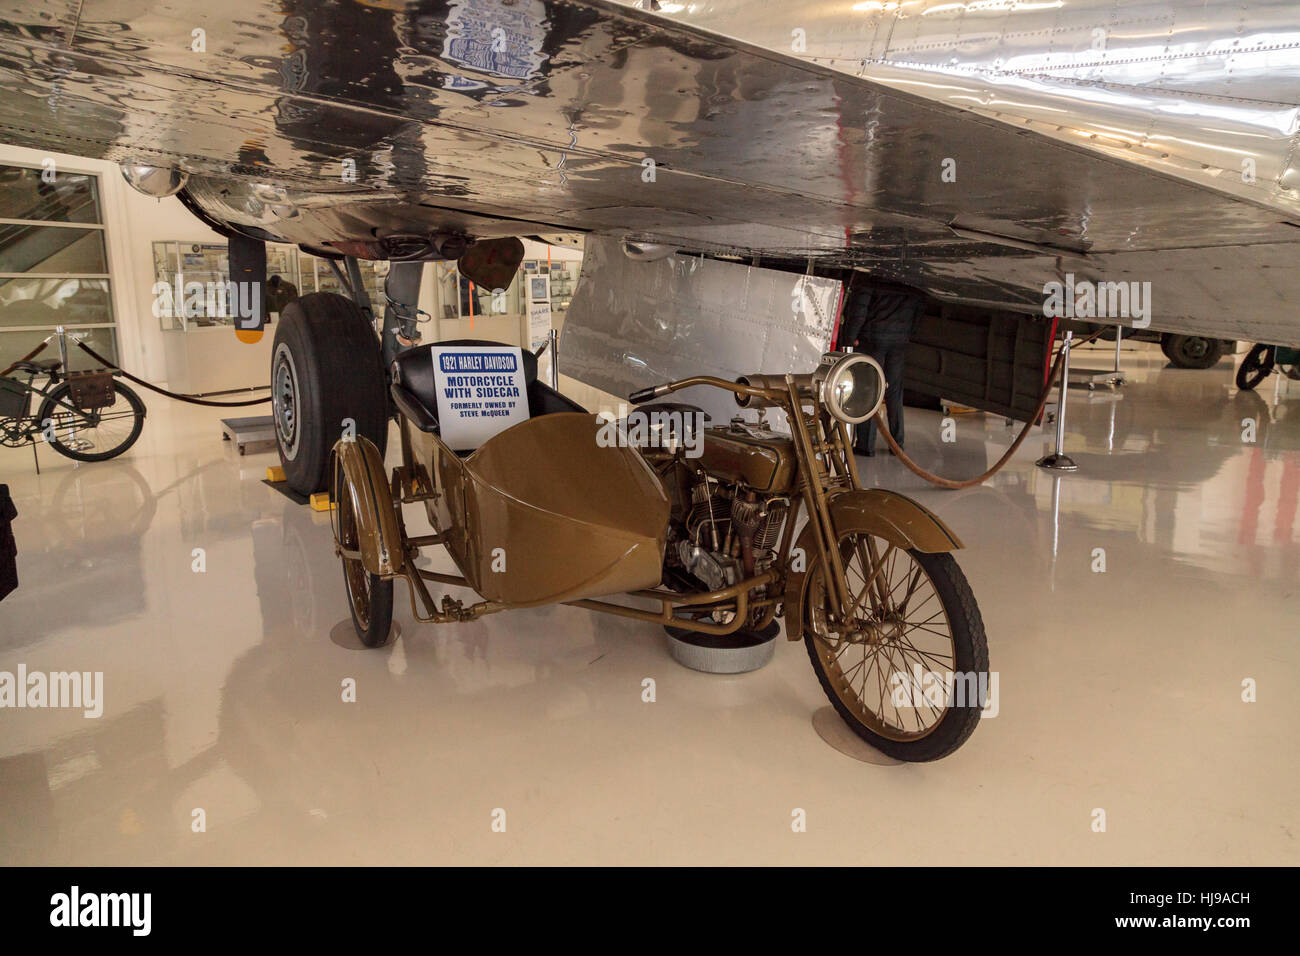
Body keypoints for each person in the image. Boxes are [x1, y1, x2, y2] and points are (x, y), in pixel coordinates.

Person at [838, 275, 927, 456]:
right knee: (894, 391)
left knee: (869, 390)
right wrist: (909, 332)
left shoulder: (873, 273)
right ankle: (897, 444)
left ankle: (865, 445)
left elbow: (859, 308)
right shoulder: (912, 276)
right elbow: (919, 305)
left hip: (873, 338)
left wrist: (850, 337)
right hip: (899, 340)